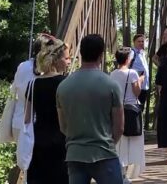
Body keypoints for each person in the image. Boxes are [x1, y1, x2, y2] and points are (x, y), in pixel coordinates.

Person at [57, 34, 124, 184]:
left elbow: (63, 126)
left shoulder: (63, 87)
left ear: (81, 53)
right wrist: (108, 143)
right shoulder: (111, 85)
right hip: (104, 152)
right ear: (101, 55)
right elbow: (119, 127)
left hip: (75, 154)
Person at [23, 34, 71, 184]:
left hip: (38, 139)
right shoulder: (64, 83)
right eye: (66, 58)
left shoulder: (32, 84)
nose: (68, 62)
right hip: (60, 139)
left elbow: (27, 117)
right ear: (56, 60)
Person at [110, 47, 146, 181]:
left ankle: (121, 170)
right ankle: (130, 172)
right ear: (127, 59)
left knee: (121, 143)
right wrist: (141, 80)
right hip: (132, 109)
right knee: (134, 141)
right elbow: (136, 92)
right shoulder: (132, 73)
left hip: (118, 109)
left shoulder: (112, 74)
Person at [130, 33, 150, 106]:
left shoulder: (142, 53)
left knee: (140, 109)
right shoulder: (132, 53)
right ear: (134, 42)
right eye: (139, 41)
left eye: (142, 41)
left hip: (144, 87)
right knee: (135, 109)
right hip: (136, 87)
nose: (141, 43)